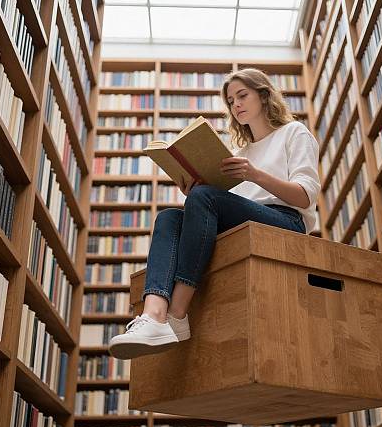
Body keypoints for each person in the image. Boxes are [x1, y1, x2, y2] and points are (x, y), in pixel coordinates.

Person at [109, 68, 321, 360]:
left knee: (204, 197)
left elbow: (306, 195)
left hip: (287, 222)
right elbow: (228, 204)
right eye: (231, 100)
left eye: (242, 95)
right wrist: (194, 191)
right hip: (244, 222)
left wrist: (255, 175)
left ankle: (177, 314)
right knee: (170, 217)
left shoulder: (294, 133)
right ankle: (154, 314)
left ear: (263, 95)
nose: (236, 105)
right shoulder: (240, 151)